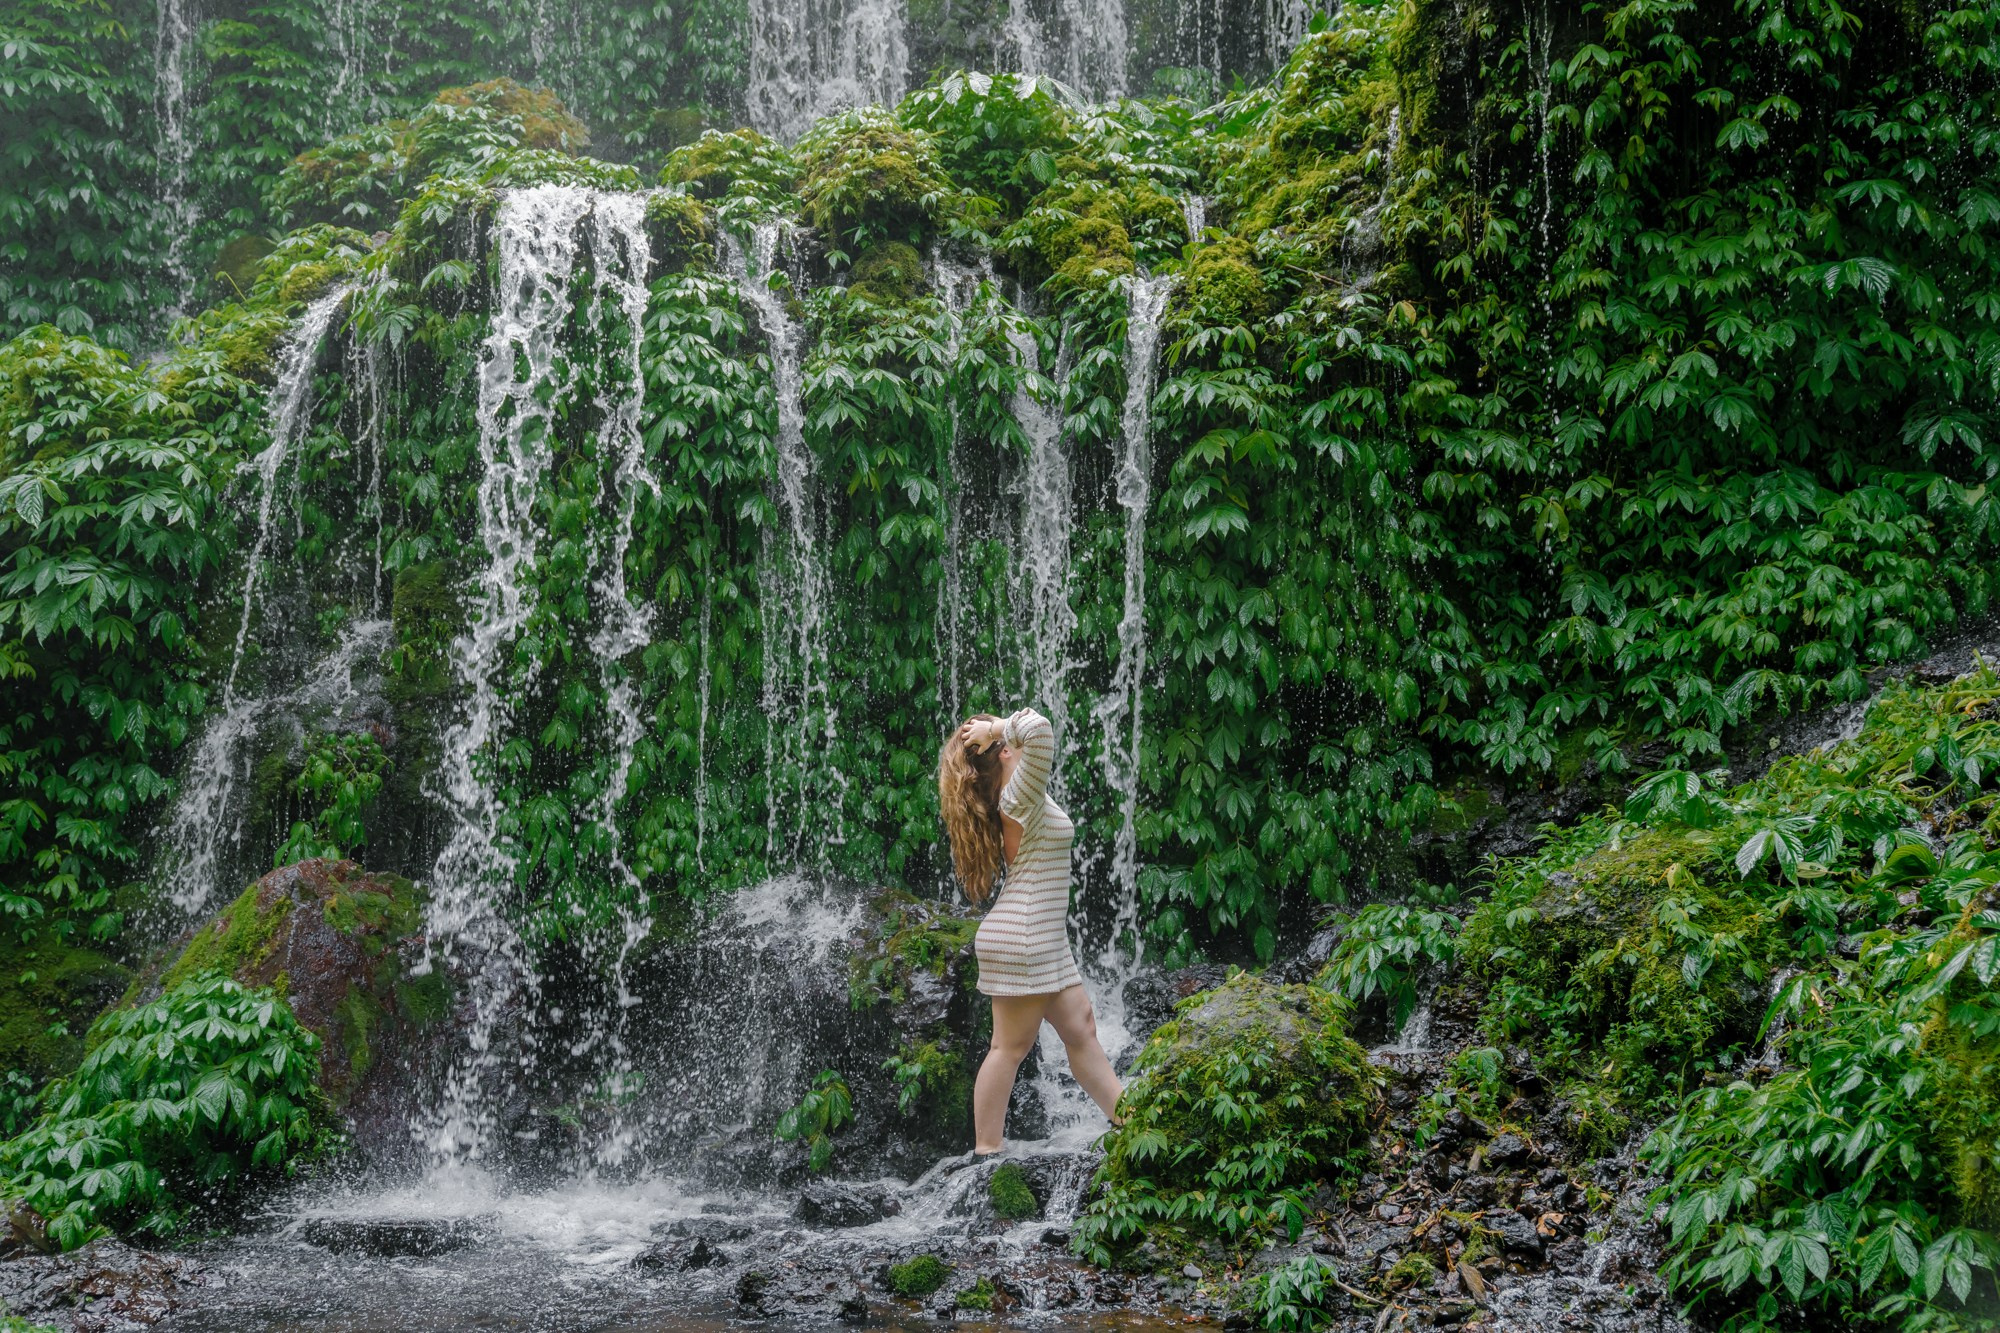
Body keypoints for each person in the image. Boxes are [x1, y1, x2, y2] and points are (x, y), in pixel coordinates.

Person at [937, 708, 1123, 1154]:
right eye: (1003, 739)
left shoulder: (1021, 792)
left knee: (1081, 1029)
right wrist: (997, 728)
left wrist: (995, 732)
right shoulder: (1019, 793)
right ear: (1002, 752)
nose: (1010, 736)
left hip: (1041, 938)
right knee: (1008, 1048)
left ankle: (1129, 1119)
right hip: (1025, 937)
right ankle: (986, 1154)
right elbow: (1039, 728)